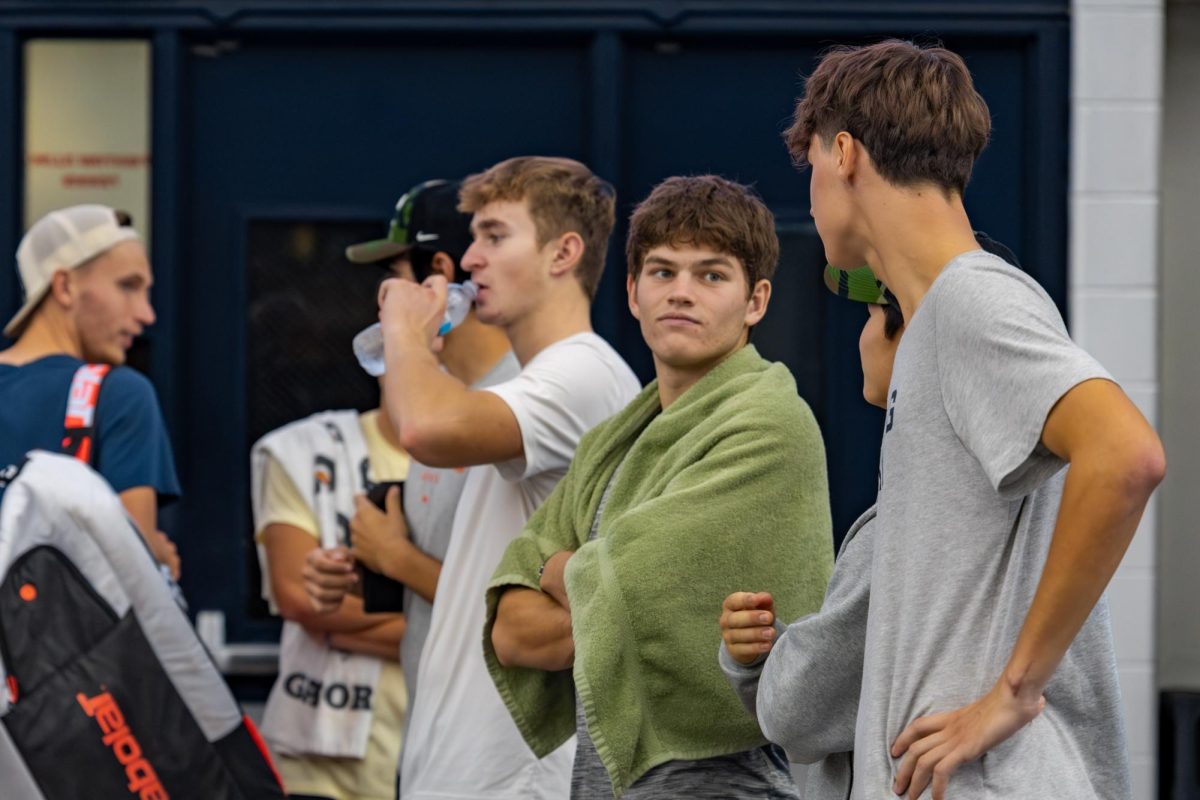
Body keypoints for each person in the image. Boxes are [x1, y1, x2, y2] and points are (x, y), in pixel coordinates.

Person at [786, 40, 1165, 799]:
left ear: (846, 153)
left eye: (813, 168)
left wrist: (1015, 691)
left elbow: (1127, 454)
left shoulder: (972, 301)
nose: (813, 194)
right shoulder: (937, 324)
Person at [484, 175, 834, 799]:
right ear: (633, 292)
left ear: (755, 301)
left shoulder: (769, 424)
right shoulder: (609, 442)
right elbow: (511, 632)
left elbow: (632, 593)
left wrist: (556, 569)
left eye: (711, 275)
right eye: (663, 272)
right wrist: (603, 585)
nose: (681, 293)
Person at [375, 156, 641, 800]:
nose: (469, 260)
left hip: (515, 778)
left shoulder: (583, 371)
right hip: (470, 769)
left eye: (495, 237)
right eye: (474, 239)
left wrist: (406, 334)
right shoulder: (536, 380)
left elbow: (423, 428)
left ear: (563, 253)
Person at [299, 178, 519, 792]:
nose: (381, 300)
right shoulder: (441, 401)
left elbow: (531, 610)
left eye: (393, 273)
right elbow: (451, 574)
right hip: (433, 745)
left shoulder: (521, 400)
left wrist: (393, 555)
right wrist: (353, 572)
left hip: (500, 763)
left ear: (438, 275)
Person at [0, 204, 181, 578]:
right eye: (128, 286)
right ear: (64, 286)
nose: (147, 315)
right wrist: (158, 554)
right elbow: (132, 572)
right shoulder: (119, 395)